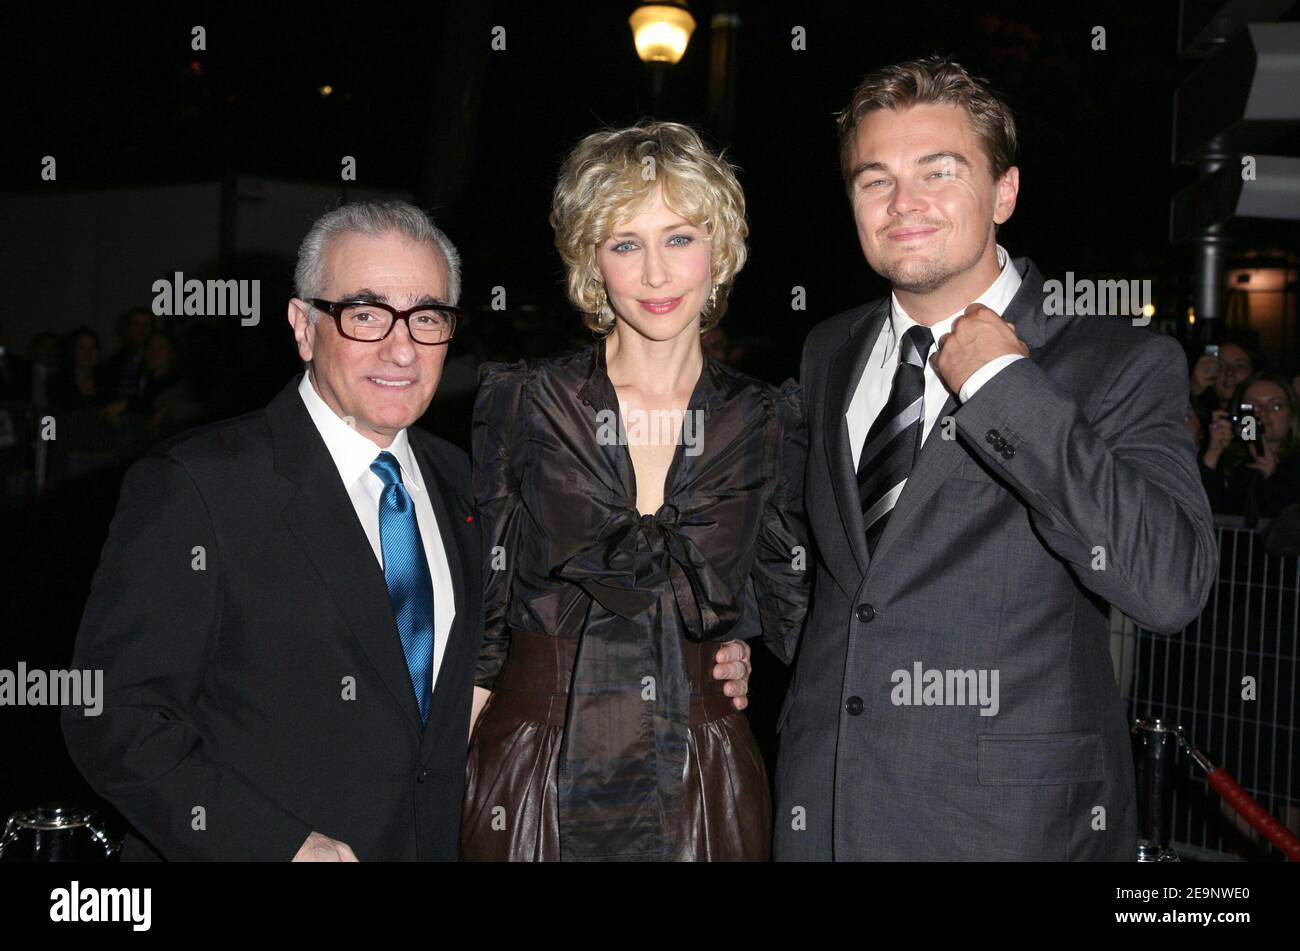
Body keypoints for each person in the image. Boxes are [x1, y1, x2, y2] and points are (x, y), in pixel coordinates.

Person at [776, 56, 1217, 861]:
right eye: (874, 179)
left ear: (1004, 193)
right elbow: (806, 548)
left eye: (938, 172)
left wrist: (1003, 384)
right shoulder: (828, 349)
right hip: (826, 811)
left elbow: (1170, 582)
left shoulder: (1116, 361)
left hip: (1014, 833)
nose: (903, 203)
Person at [63, 201, 483, 860]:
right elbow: (112, 712)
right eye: (366, 314)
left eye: (427, 316)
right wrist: (275, 845)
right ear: (304, 326)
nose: (402, 348)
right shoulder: (197, 485)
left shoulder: (467, 483)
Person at [461, 121, 803, 861]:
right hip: (535, 766)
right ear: (591, 261)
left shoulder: (766, 416)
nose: (655, 274)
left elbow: (797, 604)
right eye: (625, 244)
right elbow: (480, 621)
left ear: (720, 250)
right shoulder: (524, 400)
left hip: (704, 773)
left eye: (679, 238)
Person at [1200, 372, 1300, 519]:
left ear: (1291, 415)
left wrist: (1273, 476)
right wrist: (1213, 452)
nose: (1262, 413)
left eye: (1276, 406)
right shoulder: (1228, 461)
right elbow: (1198, 509)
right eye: (1252, 406)